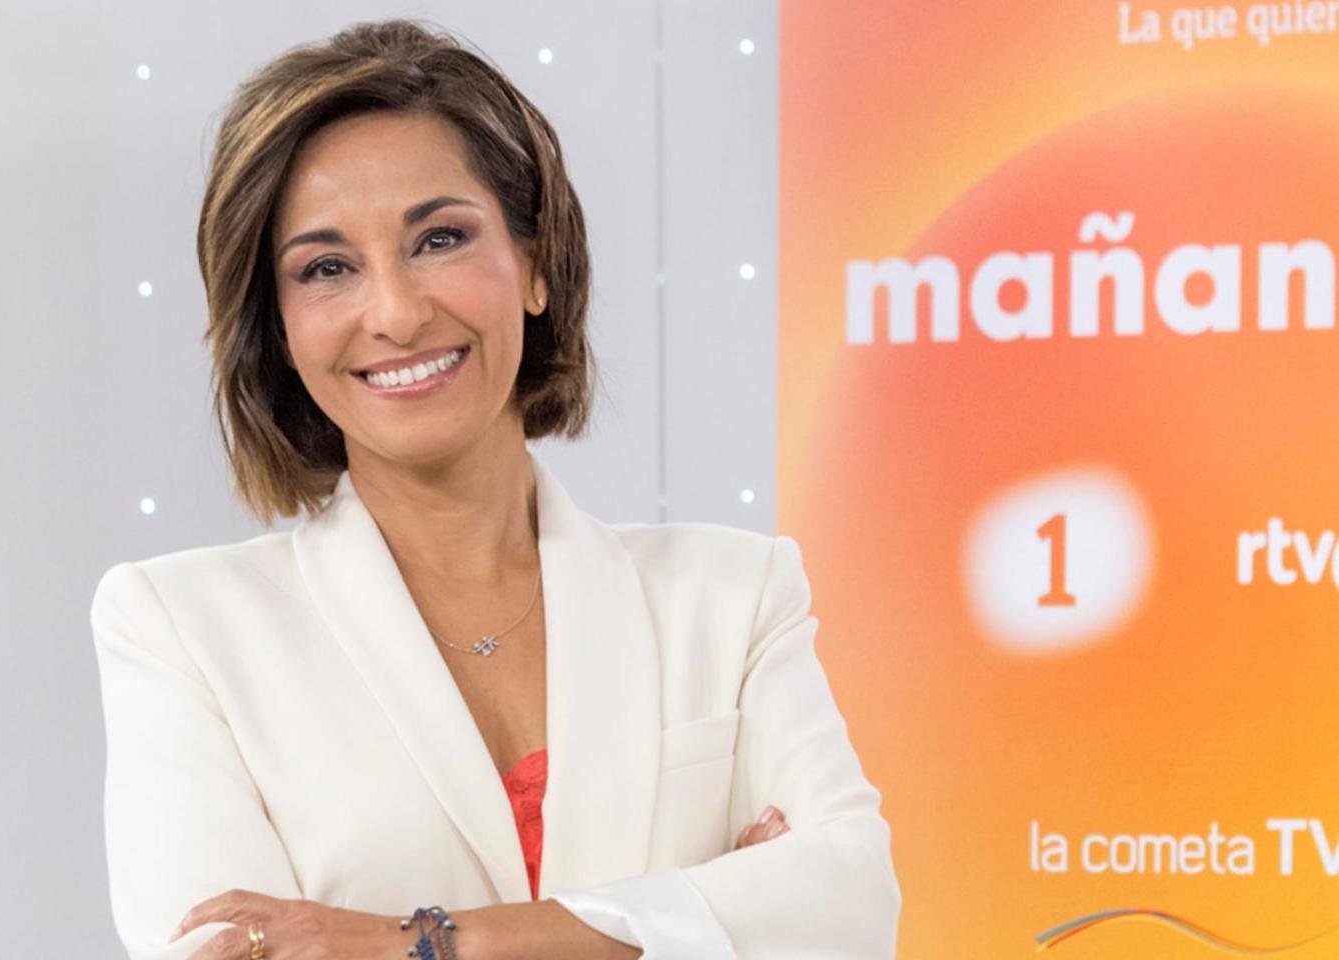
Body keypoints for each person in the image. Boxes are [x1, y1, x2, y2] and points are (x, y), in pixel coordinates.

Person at [90, 18, 899, 960]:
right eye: (327, 268)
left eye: (439, 239)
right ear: (280, 327)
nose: (396, 313)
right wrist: (695, 917)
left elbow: (848, 909)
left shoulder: (734, 595)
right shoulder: (180, 629)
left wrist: (409, 942)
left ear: (537, 264)